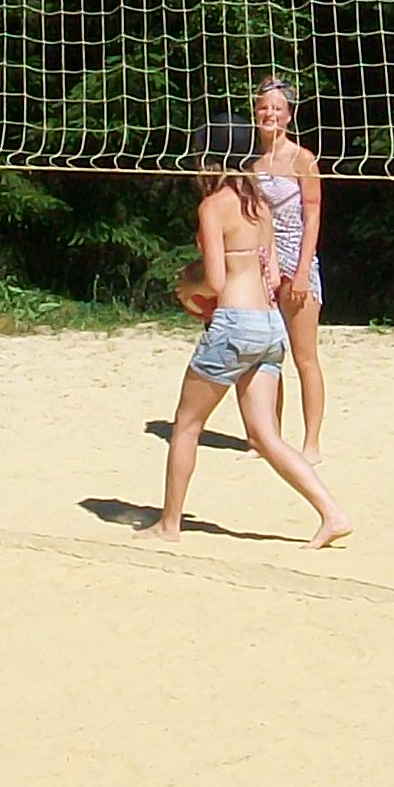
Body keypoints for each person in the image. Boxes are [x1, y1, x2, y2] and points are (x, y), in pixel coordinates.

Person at [151, 126, 352, 547]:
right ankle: (332, 513)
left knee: (186, 425)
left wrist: (188, 288)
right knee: (266, 436)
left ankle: (169, 526)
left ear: (208, 161)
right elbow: (274, 276)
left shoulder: (213, 206)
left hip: (234, 326)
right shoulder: (261, 204)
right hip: (269, 325)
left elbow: (216, 281)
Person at [251, 78, 330, 460]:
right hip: (262, 265)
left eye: (277, 108)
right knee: (266, 357)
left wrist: (301, 273)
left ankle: (311, 442)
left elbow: (312, 219)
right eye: (264, 107)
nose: (270, 114)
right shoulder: (249, 162)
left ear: (289, 116)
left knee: (304, 357)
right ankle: (269, 439)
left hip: (297, 260)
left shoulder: (302, 159)